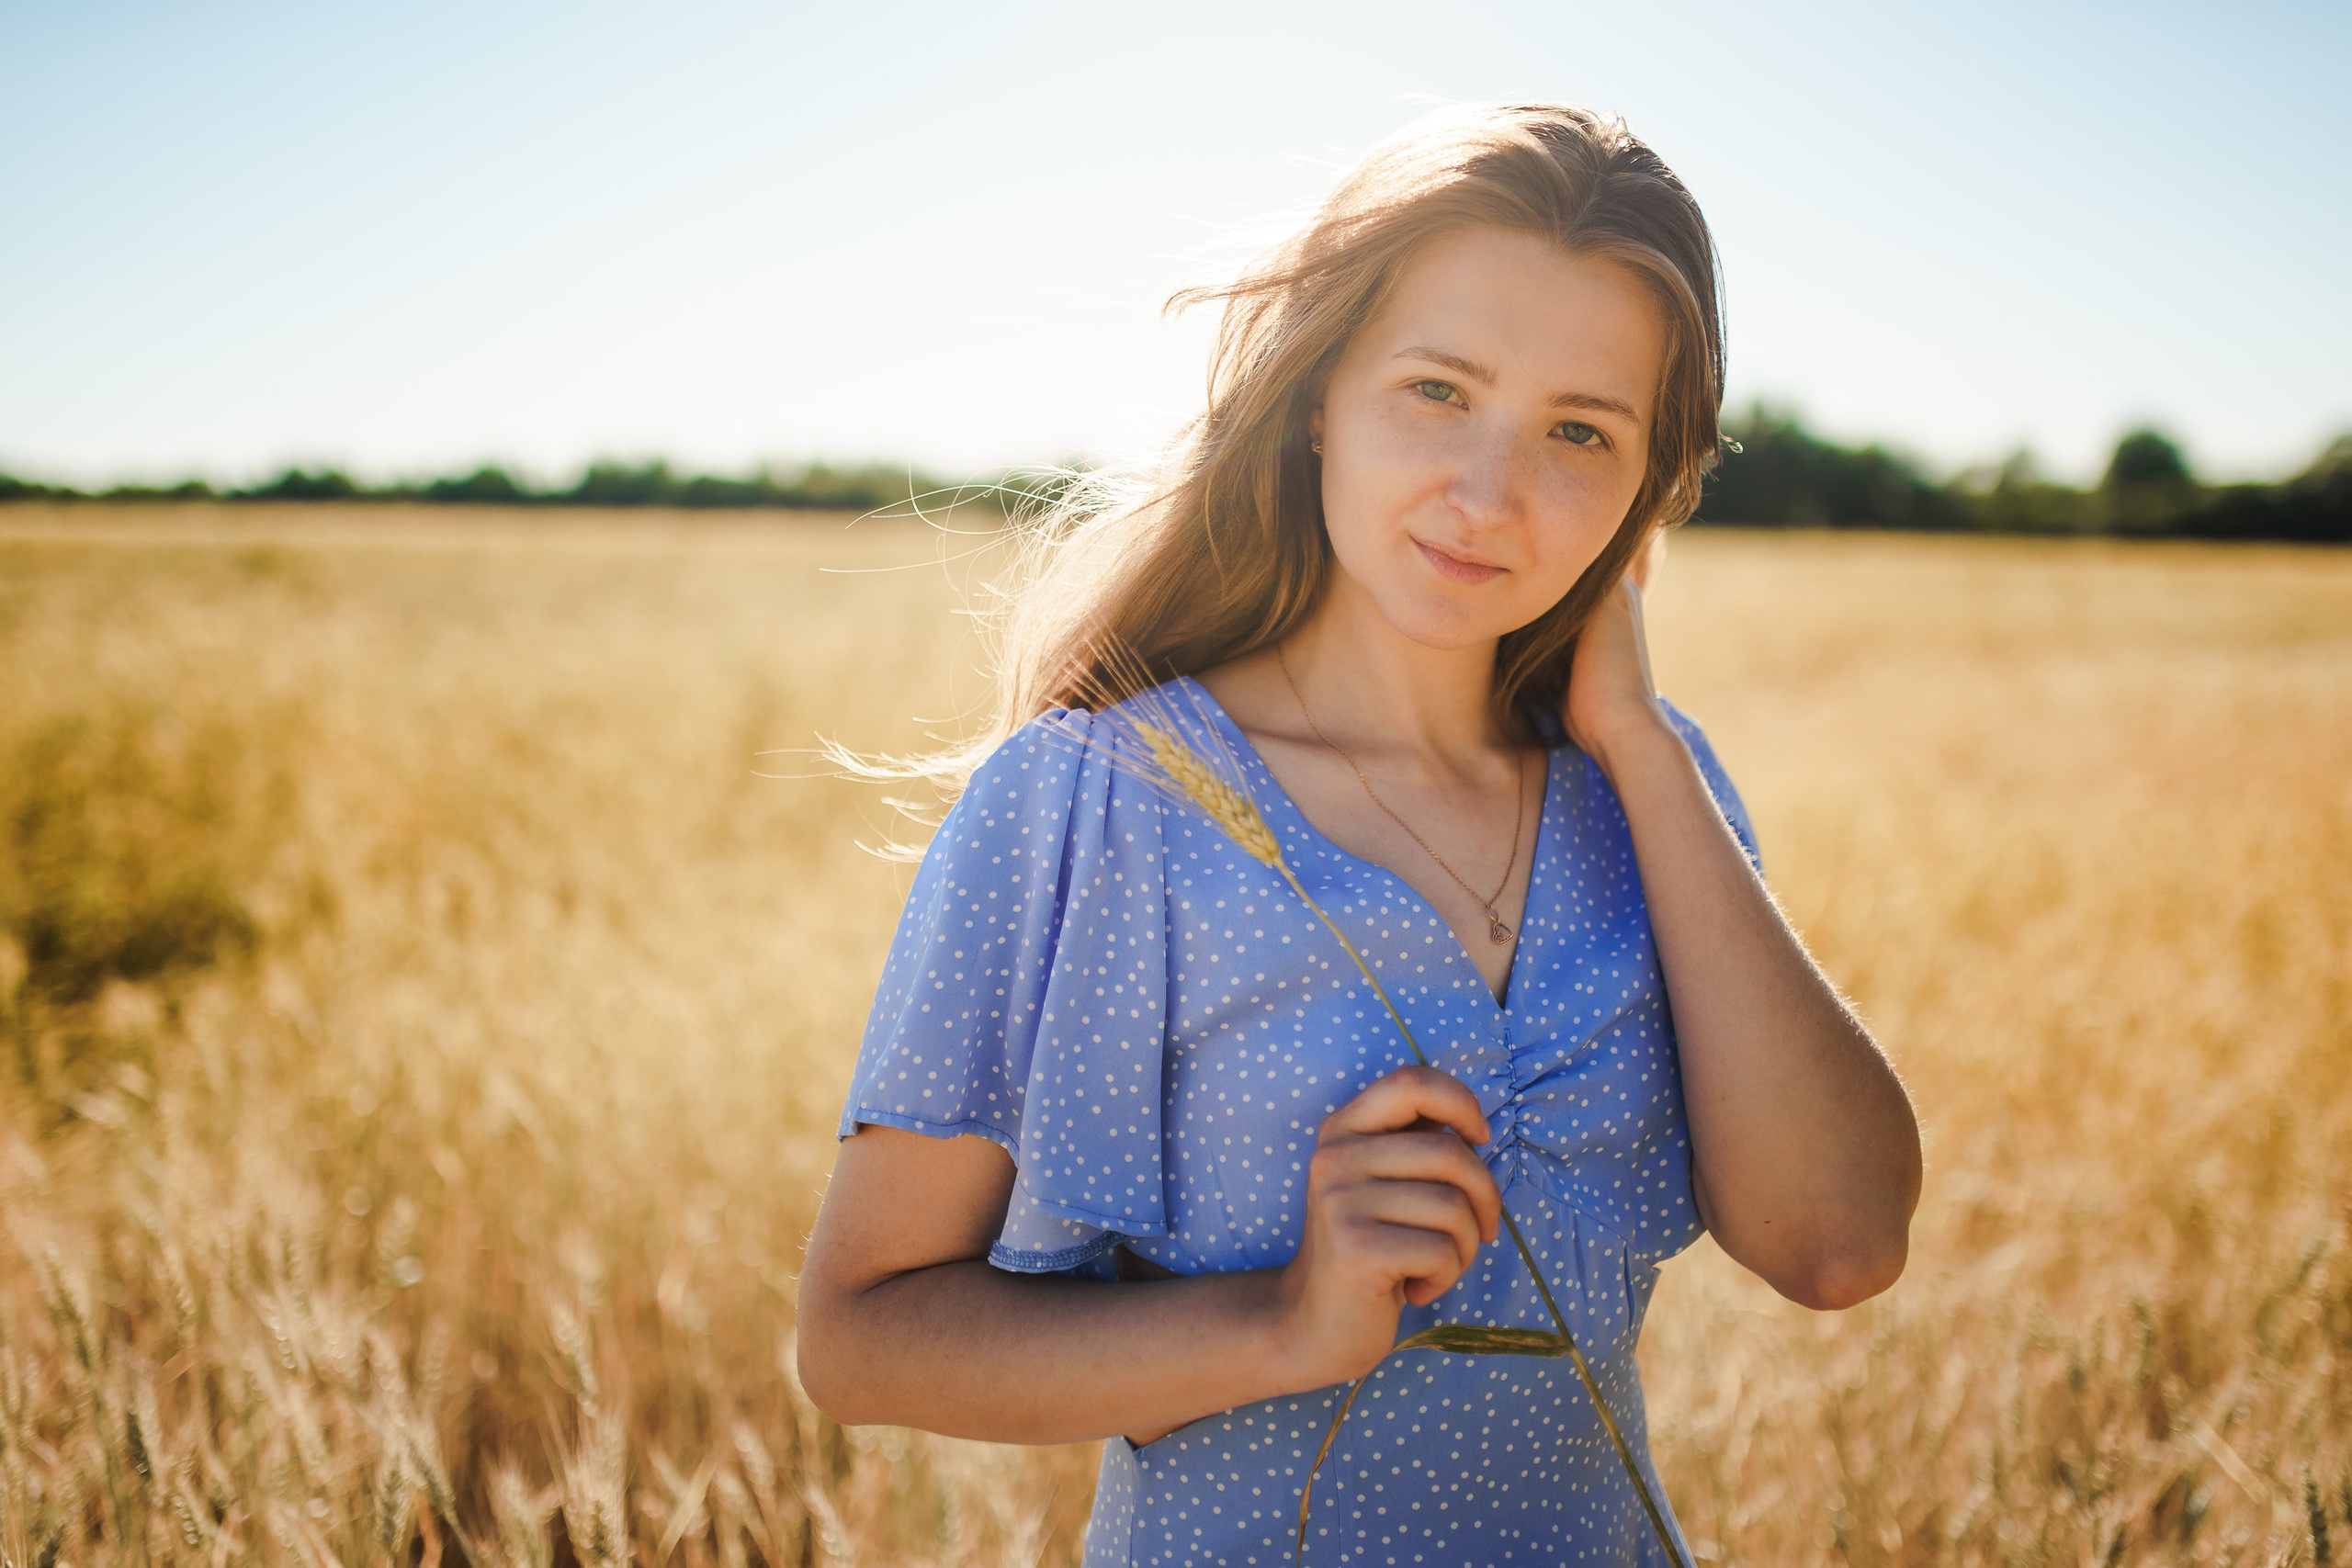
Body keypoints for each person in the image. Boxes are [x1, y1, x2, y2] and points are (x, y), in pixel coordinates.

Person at [797, 102, 1923, 1565]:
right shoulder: (1093, 804)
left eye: (1581, 433)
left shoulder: (1650, 794)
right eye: (1438, 391)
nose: (1489, 494)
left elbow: (1839, 1246)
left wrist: (1640, 745)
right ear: (1320, 392)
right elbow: (861, 1335)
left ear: (1649, 489)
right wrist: (1278, 1323)